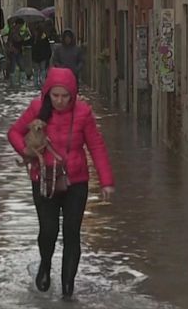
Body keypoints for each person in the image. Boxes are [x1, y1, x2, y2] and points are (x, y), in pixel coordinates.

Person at [8, 67, 114, 300]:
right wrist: (25, 150)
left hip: (76, 181)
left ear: (73, 95)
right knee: (48, 230)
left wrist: (106, 181)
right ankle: (45, 265)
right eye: (55, 95)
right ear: (47, 93)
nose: (60, 101)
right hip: (43, 179)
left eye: (65, 96)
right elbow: (14, 132)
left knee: (72, 232)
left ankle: (68, 288)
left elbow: (96, 146)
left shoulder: (84, 112)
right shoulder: (37, 109)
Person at [7, 18, 30, 86]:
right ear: (18, 24)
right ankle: (13, 82)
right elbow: (17, 39)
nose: (20, 27)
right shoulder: (13, 30)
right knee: (14, 66)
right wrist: (25, 35)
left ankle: (20, 81)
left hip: (18, 50)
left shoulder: (16, 30)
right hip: (14, 51)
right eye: (20, 25)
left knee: (21, 66)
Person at [30, 23, 52, 89]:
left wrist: (47, 57)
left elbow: (47, 48)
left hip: (42, 57)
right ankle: (37, 84)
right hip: (37, 57)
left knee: (42, 70)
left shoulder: (43, 38)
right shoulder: (34, 38)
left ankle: (42, 83)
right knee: (37, 71)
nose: (35, 32)